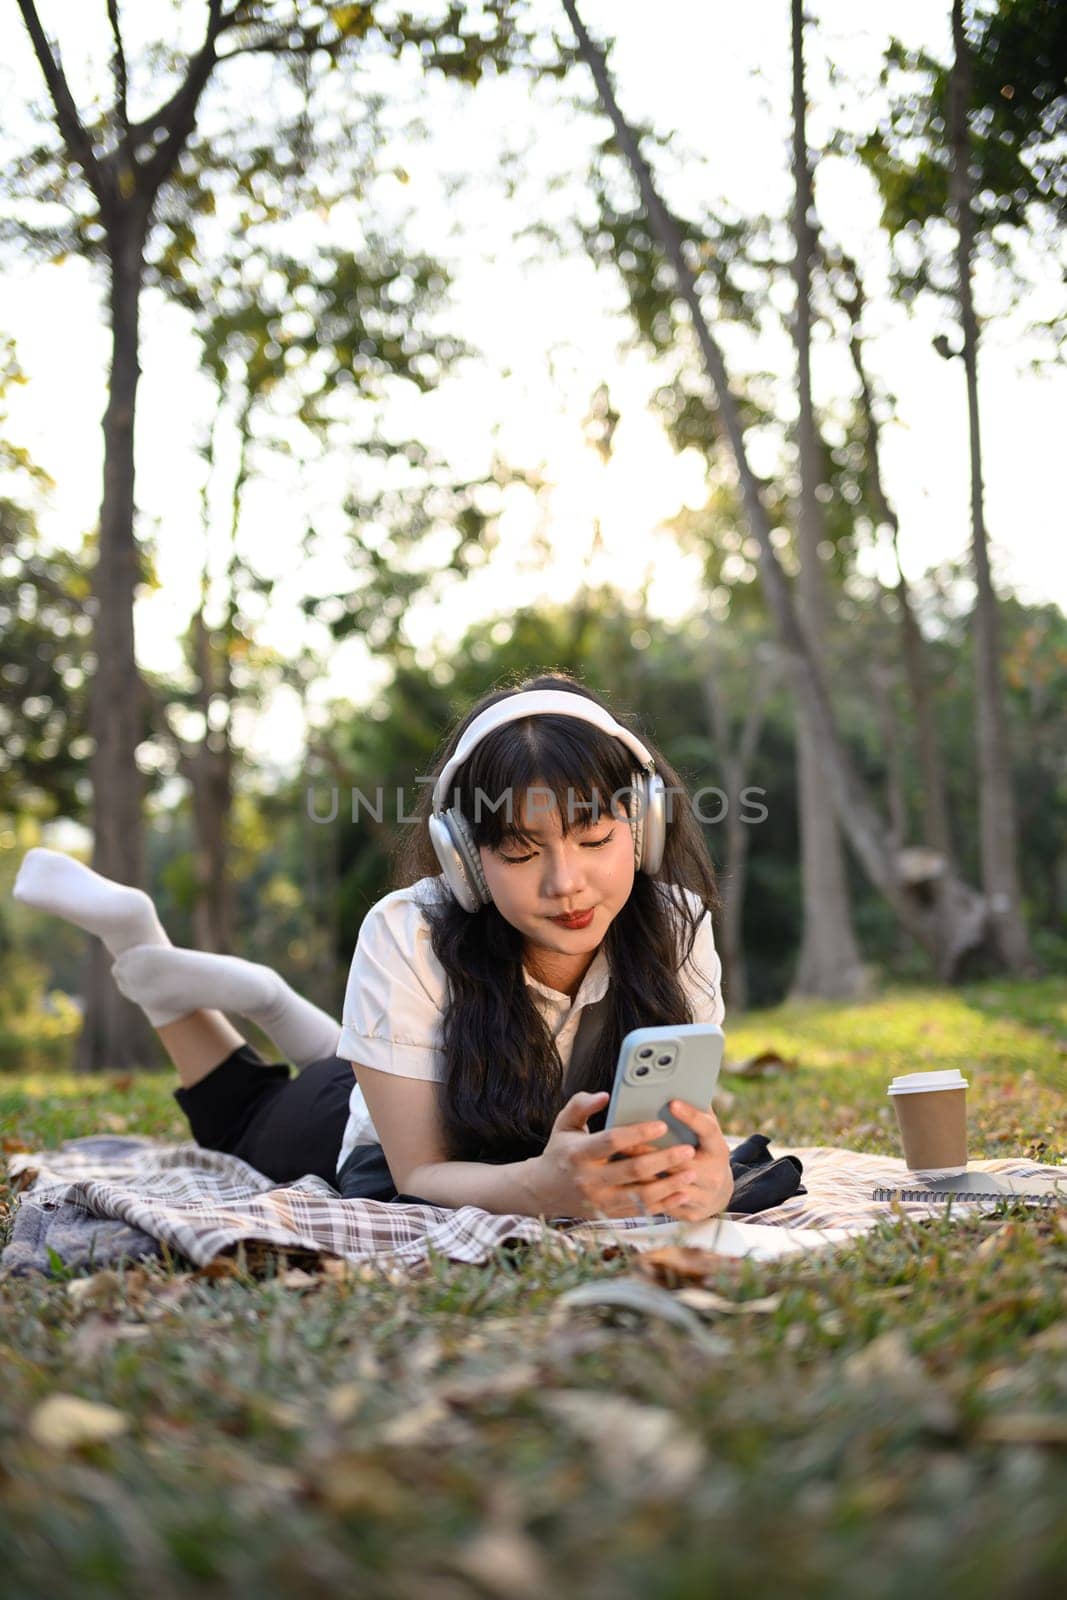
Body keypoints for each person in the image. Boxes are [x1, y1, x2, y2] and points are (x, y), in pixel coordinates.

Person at [13, 672, 733, 1222]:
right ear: (465, 860)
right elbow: (416, 1175)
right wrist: (540, 1188)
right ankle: (135, 936)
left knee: (340, 1064)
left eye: (595, 840)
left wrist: (710, 1178)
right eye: (520, 852)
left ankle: (277, 1002)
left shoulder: (678, 925)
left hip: (393, 1068)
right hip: (374, 1125)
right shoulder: (410, 930)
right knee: (241, 1117)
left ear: (643, 828)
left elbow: (689, 1137)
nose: (565, 884)